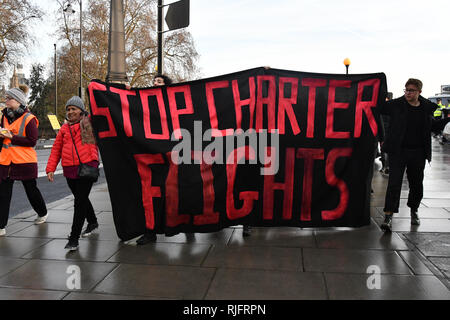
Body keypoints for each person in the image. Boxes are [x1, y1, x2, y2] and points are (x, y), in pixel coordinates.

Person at [379, 79, 450, 232]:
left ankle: (414, 210)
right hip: (398, 151)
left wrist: (447, 119)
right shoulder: (396, 105)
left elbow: (432, 126)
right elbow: (378, 107)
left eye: (411, 90)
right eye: (406, 90)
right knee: (394, 183)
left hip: (418, 152)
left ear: (419, 92)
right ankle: (388, 216)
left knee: (416, 184)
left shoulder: (425, 108)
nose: (408, 93)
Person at [46, 96, 100, 250]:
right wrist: (50, 168)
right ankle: (93, 221)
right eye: (68, 109)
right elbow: (56, 149)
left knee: (79, 202)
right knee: (80, 198)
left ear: (81, 110)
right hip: (70, 170)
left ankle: (74, 238)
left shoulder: (89, 124)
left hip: (87, 167)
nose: (70, 112)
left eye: (74, 109)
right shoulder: (64, 129)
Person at [0, 85, 48, 236]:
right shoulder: (4, 116)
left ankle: (42, 212)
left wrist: (11, 137)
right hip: (6, 161)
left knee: (31, 190)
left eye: (9, 98)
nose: (6, 101)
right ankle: (1, 226)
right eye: (6, 98)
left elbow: (32, 141)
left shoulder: (29, 118)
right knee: (3, 194)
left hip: (24, 161)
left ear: (19, 101)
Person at [136, 74, 173, 245]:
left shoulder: (172, 103)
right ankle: (150, 231)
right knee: (151, 195)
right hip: (151, 157)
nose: (155, 84)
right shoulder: (145, 103)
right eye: (154, 81)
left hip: (172, 156)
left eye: (159, 82)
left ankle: (185, 225)